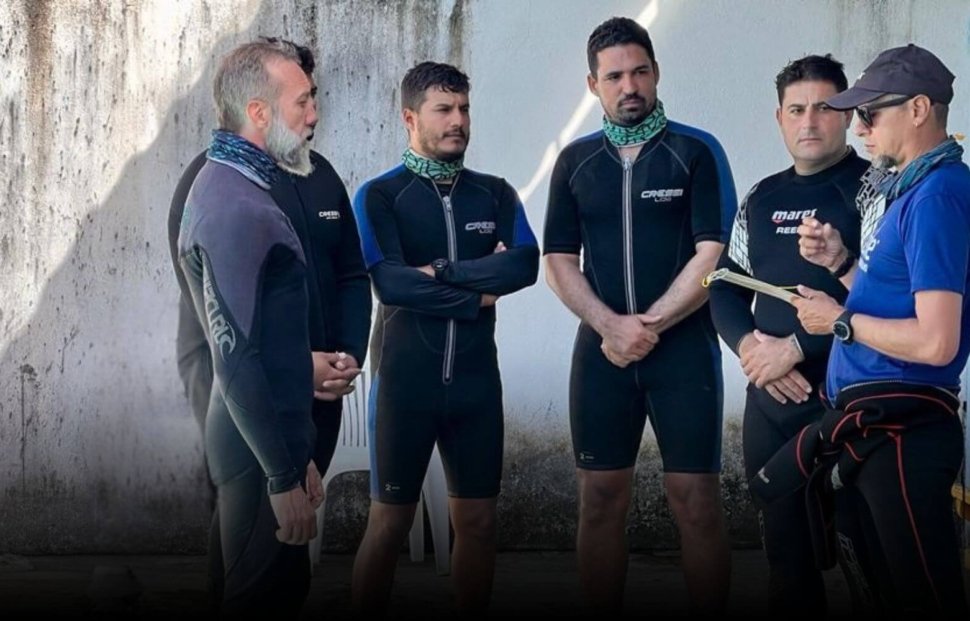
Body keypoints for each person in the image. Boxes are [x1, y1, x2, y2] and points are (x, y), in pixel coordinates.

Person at [168, 38, 372, 608]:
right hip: (255, 422)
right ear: (259, 111)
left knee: (279, 583)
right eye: (302, 100)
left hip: (285, 419)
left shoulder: (267, 181)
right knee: (258, 586)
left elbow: (346, 277)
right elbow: (235, 347)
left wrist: (341, 360)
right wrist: (282, 474)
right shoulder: (231, 199)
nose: (315, 113)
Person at [543, 16, 736, 614]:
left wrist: (645, 325)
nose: (630, 86)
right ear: (593, 85)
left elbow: (714, 252)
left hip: (682, 351)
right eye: (615, 76)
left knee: (695, 501)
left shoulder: (694, 151)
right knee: (600, 498)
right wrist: (609, 325)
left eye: (640, 72)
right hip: (601, 354)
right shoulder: (574, 162)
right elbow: (557, 259)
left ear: (656, 73)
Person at [351, 61, 539, 615]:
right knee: (388, 524)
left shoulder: (496, 194)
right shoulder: (380, 196)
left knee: (478, 523)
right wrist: (479, 290)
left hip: (477, 389)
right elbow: (389, 283)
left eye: (463, 109)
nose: (458, 120)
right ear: (411, 117)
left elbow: (525, 266)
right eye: (444, 109)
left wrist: (440, 273)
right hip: (406, 385)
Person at [791, 44, 969, 614]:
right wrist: (843, 266)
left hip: (903, 431)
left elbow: (937, 342)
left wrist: (840, 323)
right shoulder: (915, 190)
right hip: (878, 429)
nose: (858, 126)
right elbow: (900, 308)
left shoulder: (938, 194)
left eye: (871, 112)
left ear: (919, 109)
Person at [708, 54, 874, 613]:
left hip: (851, 398)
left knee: (864, 553)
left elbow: (890, 300)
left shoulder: (876, 190)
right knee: (786, 558)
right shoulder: (761, 199)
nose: (809, 122)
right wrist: (754, 351)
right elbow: (724, 287)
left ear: (848, 114)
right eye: (796, 109)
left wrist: (796, 349)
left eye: (825, 108)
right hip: (773, 404)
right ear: (778, 117)